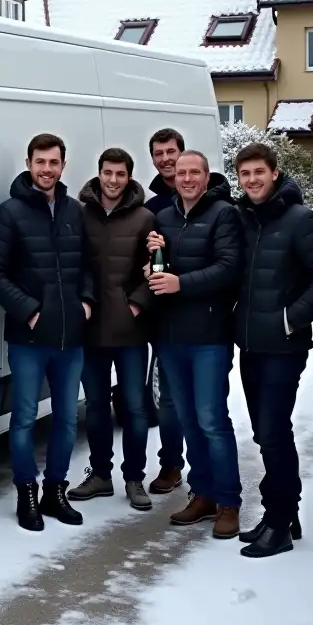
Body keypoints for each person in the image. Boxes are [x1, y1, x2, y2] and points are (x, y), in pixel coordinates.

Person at [233, 142, 313, 558]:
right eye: (245, 174)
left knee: (275, 432)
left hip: (284, 348)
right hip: (251, 347)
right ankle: (284, 513)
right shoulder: (244, 219)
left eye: (259, 172)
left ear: (275, 173)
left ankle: (279, 523)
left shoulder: (301, 220)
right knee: (265, 432)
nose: (253, 180)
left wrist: (289, 319)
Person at [0, 133, 96, 531]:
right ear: (29, 163)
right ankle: (26, 493)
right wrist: (30, 312)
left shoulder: (74, 212)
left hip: (71, 338)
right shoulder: (9, 214)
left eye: (54, 163)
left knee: (67, 420)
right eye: (40, 162)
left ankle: (55, 491)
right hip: (29, 339)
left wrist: (86, 302)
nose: (47, 169)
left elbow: (88, 265)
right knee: (25, 419)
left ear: (63, 166)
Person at [146, 150, 244, 538]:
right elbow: (160, 268)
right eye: (181, 172)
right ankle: (202, 494)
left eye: (194, 172)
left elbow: (228, 268)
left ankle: (229, 502)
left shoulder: (224, 214)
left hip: (209, 336)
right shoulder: (164, 218)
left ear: (206, 177)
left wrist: (179, 283)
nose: (186, 178)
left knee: (212, 421)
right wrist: (152, 266)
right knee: (188, 421)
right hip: (170, 337)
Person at [68, 148, 156, 511]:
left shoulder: (145, 218)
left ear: (129, 176)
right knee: (97, 408)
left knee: (135, 409)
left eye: (121, 174)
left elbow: (156, 268)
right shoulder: (79, 214)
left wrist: (135, 304)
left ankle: (134, 478)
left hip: (131, 333)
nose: (114, 180)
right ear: (99, 173)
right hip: (91, 331)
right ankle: (101, 475)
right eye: (108, 172)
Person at [144, 128, 187, 496]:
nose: (166, 159)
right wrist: (149, 267)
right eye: (159, 153)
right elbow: (149, 263)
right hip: (167, 321)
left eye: (171, 151)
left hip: (208, 320)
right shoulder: (153, 208)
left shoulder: (214, 201)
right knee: (169, 401)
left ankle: (210, 479)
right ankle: (171, 464)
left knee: (208, 406)